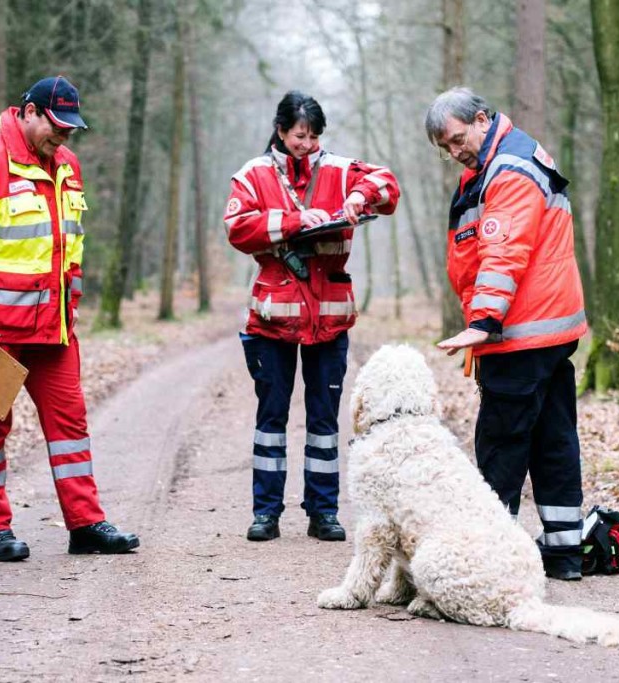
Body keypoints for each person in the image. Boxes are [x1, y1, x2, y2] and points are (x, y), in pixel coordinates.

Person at [0, 75, 139, 561]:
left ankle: (86, 524)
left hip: (54, 326)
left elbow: (71, 243)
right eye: (56, 126)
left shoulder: (67, 165)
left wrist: (70, 303)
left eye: (71, 129)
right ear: (29, 112)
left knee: (70, 425)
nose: (63, 137)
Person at [224, 91, 401, 542]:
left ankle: (323, 512)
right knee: (272, 417)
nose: (308, 143)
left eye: (315, 135)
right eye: (300, 135)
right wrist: (295, 223)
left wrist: (360, 197)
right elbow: (237, 228)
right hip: (273, 319)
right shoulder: (253, 175)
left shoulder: (341, 169)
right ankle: (266, 512)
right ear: (281, 131)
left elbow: (388, 187)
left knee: (325, 422)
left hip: (331, 316)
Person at [426, 86, 587, 580]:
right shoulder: (504, 159)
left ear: (479, 119)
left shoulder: (509, 167)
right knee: (553, 439)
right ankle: (564, 552)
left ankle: (490, 557)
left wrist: (482, 323)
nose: (456, 152)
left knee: (501, 443)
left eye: (457, 139)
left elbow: (504, 251)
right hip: (546, 329)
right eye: (446, 149)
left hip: (518, 331)